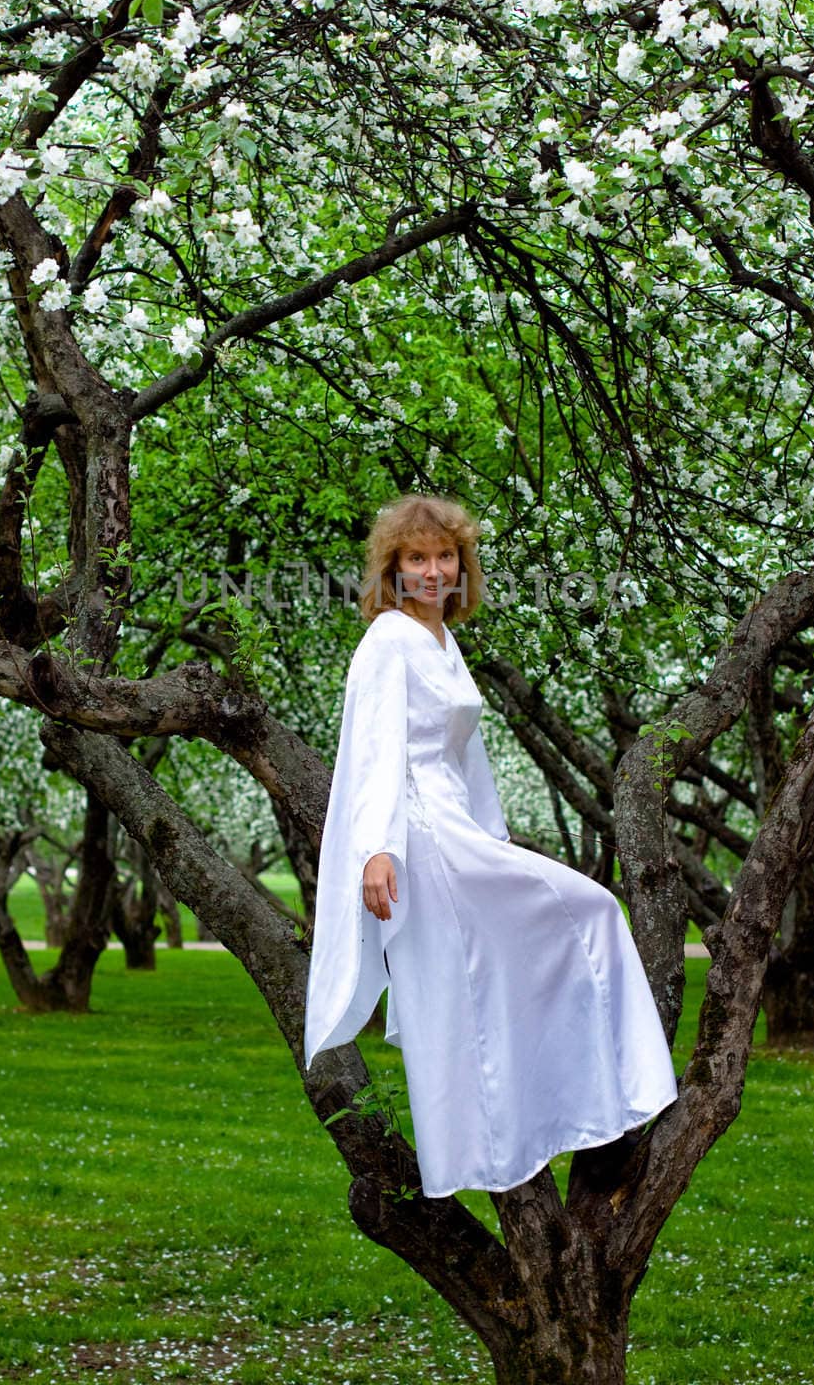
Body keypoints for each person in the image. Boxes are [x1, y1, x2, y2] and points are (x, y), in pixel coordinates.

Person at [304, 493, 678, 1198]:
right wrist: (377, 849)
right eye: (416, 558)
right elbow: (377, 750)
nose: (433, 570)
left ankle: (580, 1110)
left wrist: (493, 835)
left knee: (498, 972)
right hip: (420, 834)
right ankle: (581, 1112)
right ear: (392, 567)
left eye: (444, 556)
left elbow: (464, 755)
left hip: (457, 827)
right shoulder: (387, 639)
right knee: (581, 913)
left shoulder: (442, 639)